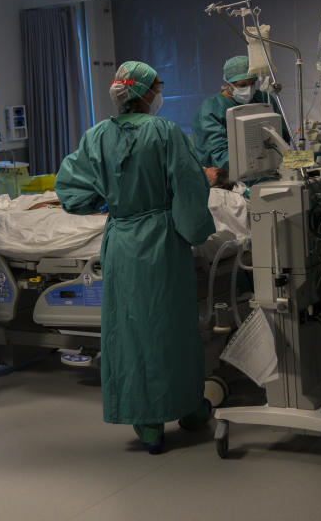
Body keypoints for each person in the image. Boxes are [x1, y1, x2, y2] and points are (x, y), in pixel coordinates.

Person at [55, 61, 217, 454]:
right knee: (172, 326)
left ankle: (147, 424)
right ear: (145, 93)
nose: (159, 92)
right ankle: (190, 408)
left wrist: (112, 201)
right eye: (158, 86)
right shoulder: (163, 132)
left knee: (130, 332)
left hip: (122, 242)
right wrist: (195, 231)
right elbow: (189, 186)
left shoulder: (95, 137)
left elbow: (70, 191)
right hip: (162, 241)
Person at [192, 55, 290, 185]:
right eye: (242, 85)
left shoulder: (264, 100)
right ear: (228, 84)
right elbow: (218, 156)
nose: (249, 89)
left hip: (269, 172)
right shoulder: (210, 110)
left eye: (252, 83)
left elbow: (281, 137)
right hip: (228, 182)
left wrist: (296, 160)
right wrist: (256, 168)